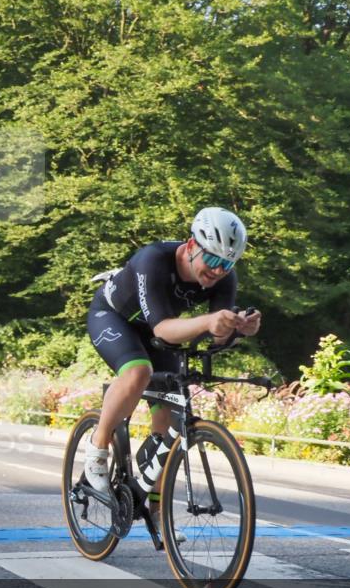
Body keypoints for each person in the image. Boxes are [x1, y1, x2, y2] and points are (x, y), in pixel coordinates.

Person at [84, 207, 261, 513]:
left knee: (169, 421)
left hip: (160, 331)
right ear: (191, 245)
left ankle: (157, 513)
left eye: (227, 264)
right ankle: (98, 446)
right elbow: (164, 329)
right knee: (138, 372)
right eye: (213, 260)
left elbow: (218, 335)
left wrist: (240, 328)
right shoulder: (153, 259)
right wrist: (209, 321)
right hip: (115, 318)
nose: (218, 271)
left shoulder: (224, 278)